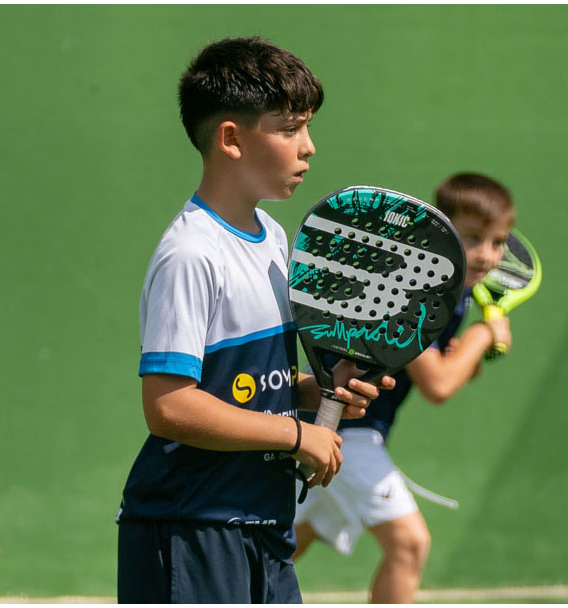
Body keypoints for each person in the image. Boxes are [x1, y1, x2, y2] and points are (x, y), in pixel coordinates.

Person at [115, 36, 395, 604]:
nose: (309, 147)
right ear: (231, 139)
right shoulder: (190, 254)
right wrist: (297, 435)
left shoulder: (273, 238)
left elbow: (246, 381)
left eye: (307, 127)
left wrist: (317, 391)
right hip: (191, 527)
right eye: (290, 129)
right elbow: (169, 406)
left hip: (263, 523)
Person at [294, 172, 515, 603]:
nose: (487, 255)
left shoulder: (455, 296)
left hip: (343, 431)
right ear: (440, 238)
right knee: (410, 545)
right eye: (472, 238)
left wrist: (464, 359)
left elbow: (439, 369)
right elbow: (438, 385)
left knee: (282, 546)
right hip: (342, 429)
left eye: (498, 242)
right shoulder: (415, 292)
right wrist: (482, 336)